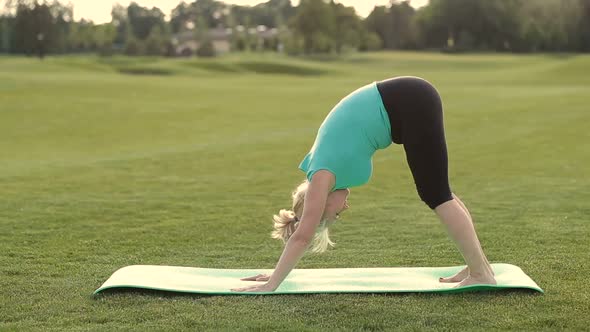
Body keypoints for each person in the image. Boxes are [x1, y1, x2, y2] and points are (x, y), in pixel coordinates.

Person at [231, 76, 496, 293]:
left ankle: (480, 272)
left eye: (334, 214)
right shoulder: (326, 173)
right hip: (408, 103)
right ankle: (478, 266)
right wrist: (277, 272)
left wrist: (272, 283)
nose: (343, 210)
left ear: (323, 200)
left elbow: (302, 236)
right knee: (438, 191)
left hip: (409, 101)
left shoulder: (321, 176)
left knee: (435, 193)